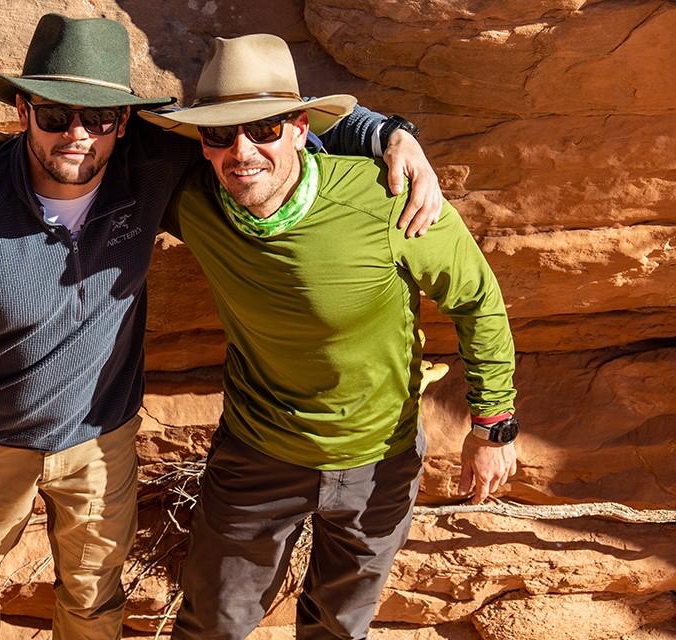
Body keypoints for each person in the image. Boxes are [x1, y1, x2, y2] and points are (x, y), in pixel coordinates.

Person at [0, 14, 443, 640]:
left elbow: (269, 122)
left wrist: (392, 133)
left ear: (125, 121)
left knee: (94, 600)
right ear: (22, 111)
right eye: (55, 115)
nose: (77, 135)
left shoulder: (152, 158)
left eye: (98, 118)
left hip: (101, 445)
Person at [135, 34, 520, 640]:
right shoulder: (194, 200)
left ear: (298, 127)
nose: (241, 151)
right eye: (220, 134)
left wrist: (493, 426)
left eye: (263, 128)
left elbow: (478, 301)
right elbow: (83, 142)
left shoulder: (388, 199)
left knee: (339, 627)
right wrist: (2, 156)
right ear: (201, 142)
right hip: (257, 455)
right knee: (212, 623)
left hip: (380, 458)